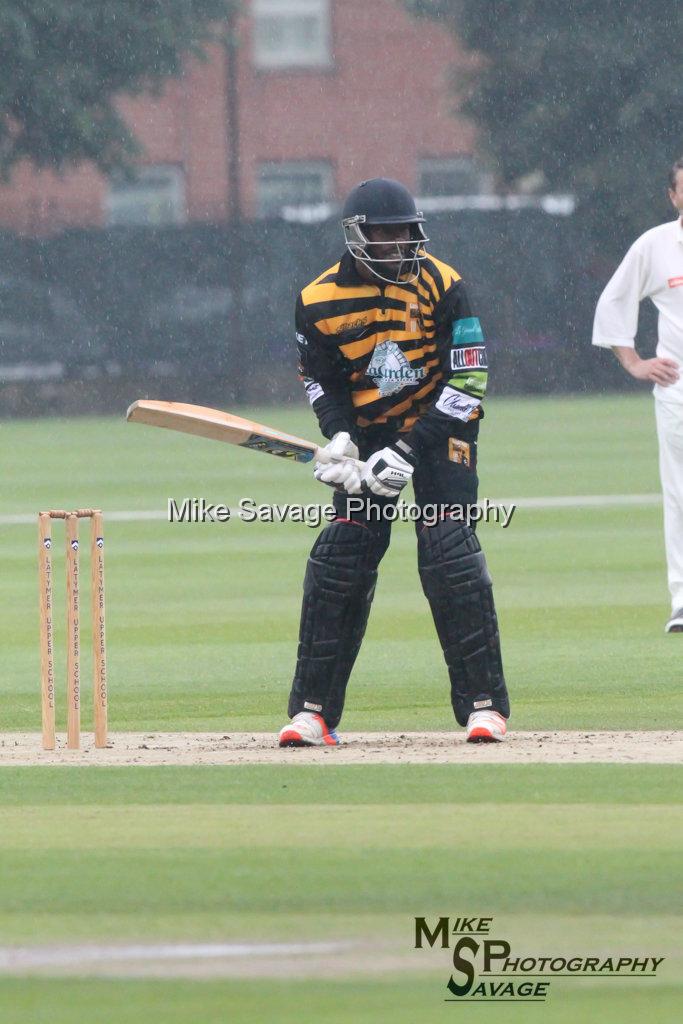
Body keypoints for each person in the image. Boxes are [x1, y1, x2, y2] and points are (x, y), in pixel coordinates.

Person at [278, 177, 510, 747]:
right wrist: (340, 442)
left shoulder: (444, 283)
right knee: (342, 558)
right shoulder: (317, 301)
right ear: (358, 239)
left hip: (439, 431)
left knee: (447, 550)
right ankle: (312, 713)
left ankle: (485, 707)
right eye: (385, 236)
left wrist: (406, 452)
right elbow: (320, 382)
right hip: (367, 433)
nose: (400, 246)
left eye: (406, 234)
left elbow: (470, 381)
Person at [592, 157, 683, 634]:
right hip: (677, 385)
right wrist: (633, 362)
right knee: (680, 492)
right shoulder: (656, 246)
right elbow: (615, 300)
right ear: (672, 196)